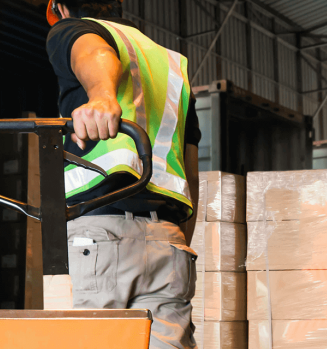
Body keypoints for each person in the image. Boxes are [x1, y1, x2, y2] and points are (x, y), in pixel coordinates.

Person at [45, 0, 201, 347]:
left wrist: (101, 96)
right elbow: (191, 169)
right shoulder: (171, 64)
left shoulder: (73, 30)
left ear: (59, 6)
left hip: (103, 234)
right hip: (169, 239)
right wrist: (178, 240)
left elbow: (94, 52)